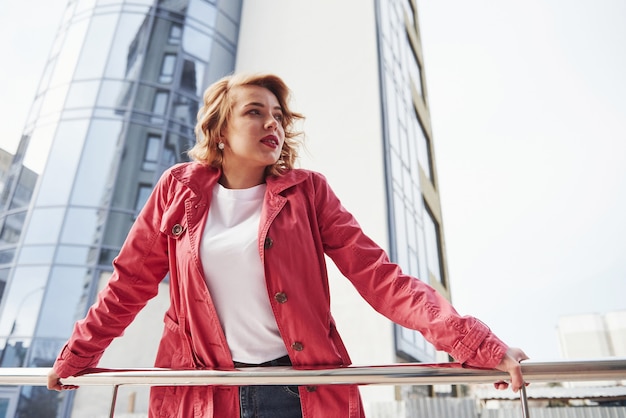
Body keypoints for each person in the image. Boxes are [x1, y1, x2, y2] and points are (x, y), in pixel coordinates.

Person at [48, 72, 528, 417]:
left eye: (277, 115)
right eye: (254, 112)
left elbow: (380, 278)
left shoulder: (308, 191)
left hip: (299, 392)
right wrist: (77, 357)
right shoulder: (179, 189)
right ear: (220, 130)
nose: (272, 124)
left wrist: (477, 343)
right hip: (205, 393)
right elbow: (129, 284)